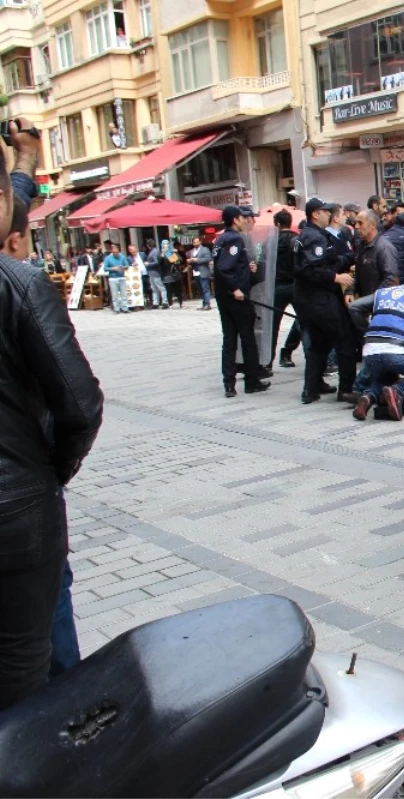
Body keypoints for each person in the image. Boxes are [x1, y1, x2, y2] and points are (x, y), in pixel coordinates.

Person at [0, 117, 104, 710]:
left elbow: (12, 200)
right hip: (17, 512)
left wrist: (25, 159)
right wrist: (48, 475)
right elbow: (81, 404)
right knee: (27, 677)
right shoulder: (17, 284)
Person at [292, 197, 356, 404]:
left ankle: (311, 388)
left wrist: (348, 259)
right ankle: (346, 389)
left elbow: (327, 261)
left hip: (307, 300)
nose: (330, 215)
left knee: (319, 343)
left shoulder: (309, 235)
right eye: (326, 211)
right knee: (345, 341)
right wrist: (336, 277)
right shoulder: (314, 237)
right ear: (315, 214)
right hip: (320, 298)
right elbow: (311, 269)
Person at [350, 283, 404, 422]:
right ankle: (399, 390)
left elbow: (354, 307)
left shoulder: (383, 293)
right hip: (398, 349)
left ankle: (368, 397)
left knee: (389, 373)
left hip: (370, 351)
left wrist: (366, 333)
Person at [211, 206, 270, 398]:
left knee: (229, 339)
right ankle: (251, 381)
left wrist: (246, 267)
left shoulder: (220, 239)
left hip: (223, 297)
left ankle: (229, 383)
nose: (246, 220)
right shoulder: (235, 238)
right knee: (247, 338)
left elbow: (226, 265)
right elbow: (224, 267)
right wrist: (235, 287)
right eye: (242, 218)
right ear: (235, 220)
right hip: (236, 297)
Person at [272, 209, 304, 368]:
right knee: (303, 320)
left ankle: (267, 362)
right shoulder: (296, 240)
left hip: (276, 286)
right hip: (294, 285)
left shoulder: (270, 242)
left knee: (273, 325)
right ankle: (288, 352)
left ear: (277, 224)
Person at [352, 210, 401, 298]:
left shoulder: (384, 248)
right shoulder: (362, 246)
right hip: (366, 302)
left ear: (373, 225)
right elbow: (358, 273)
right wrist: (350, 290)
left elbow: (391, 280)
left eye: (360, 223)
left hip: (378, 304)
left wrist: (370, 301)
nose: (356, 227)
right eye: (356, 223)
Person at [101, 241, 131, 314]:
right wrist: (113, 269)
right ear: (111, 251)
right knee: (115, 294)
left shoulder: (122, 256)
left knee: (123, 293)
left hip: (121, 277)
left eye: (117, 252)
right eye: (114, 252)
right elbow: (105, 268)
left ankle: (125, 308)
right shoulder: (108, 258)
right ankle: (116, 308)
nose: (116, 254)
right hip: (113, 278)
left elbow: (127, 266)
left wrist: (123, 267)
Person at [188, 236, 213, 311]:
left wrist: (197, 260)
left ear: (200, 242)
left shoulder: (205, 249)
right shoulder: (192, 251)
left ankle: (207, 304)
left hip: (203, 271)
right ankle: (204, 304)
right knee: (200, 289)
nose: (196, 243)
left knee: (205, 288)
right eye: (194, 242)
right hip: (195, 272)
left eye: (197, 242)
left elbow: (208, 258)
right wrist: (190, 261)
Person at [160, 239, 185, 308]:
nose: (166, 246)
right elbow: (160, 264)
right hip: (167, 275)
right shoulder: (161, 254)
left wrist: (172, 254)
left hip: (176, 273)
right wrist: (162, 256)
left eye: (167, 244)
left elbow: (179, 260)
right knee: (169, 290)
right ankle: (170, 304)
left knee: (178, 289)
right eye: (164, 244)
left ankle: (181, 303)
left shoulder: (172, 252)